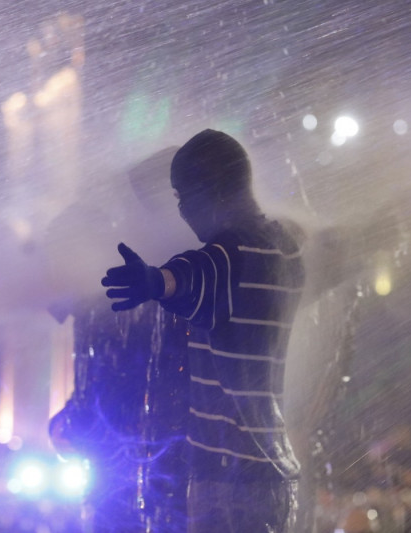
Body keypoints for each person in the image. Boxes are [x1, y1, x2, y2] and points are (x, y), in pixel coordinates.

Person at [102, 129, 305, 532]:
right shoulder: (284, 246)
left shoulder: (233, 256)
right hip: (270, 468)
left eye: (182, 196)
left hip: (232, 478)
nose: (181, 211)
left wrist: (155, 281)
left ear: (211, 189)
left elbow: (196, 273)